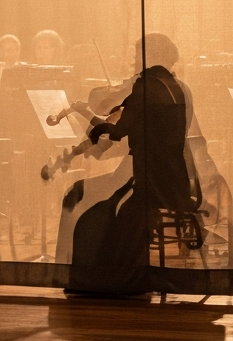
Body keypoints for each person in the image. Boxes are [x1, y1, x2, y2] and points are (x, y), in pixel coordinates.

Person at [66, 33, 197, 293]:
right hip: (174, 177)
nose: (133, 62)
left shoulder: (146, 88)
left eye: (137, 55)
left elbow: (119, 131)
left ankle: (88, 274)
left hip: (148, 178)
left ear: (150, 57)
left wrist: (86, 116)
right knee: (96, 197)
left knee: (79, 195)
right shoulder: (180, 87)